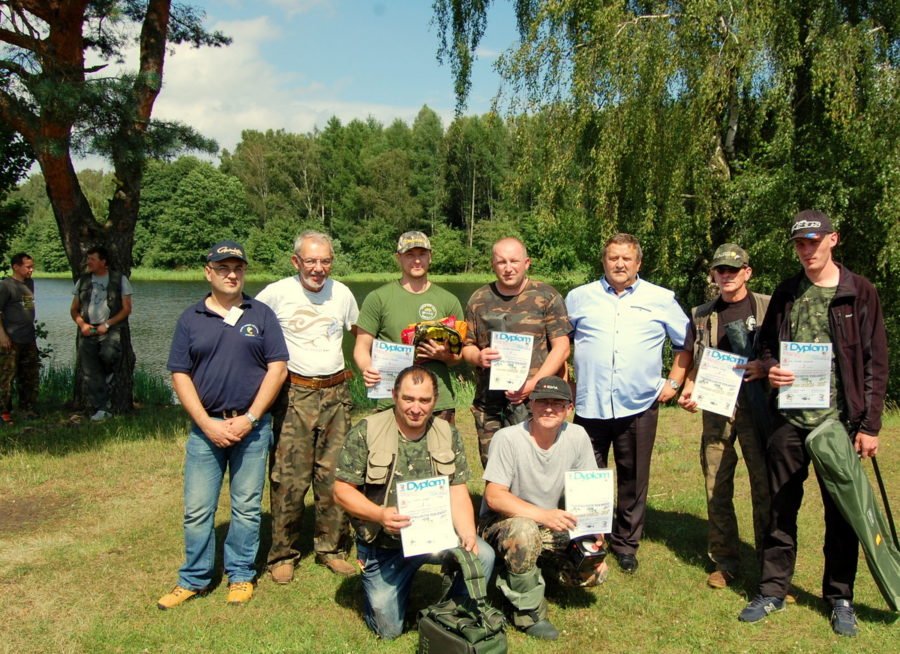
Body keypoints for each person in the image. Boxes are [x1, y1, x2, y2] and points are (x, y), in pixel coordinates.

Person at [738, 211, 888, 637]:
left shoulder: (859, 292)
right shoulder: (788, 292)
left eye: (813, 242)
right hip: (789, 420)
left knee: (843, 514)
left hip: (839, 423)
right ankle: (771, 590)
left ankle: (840, 597)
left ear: (833, 240)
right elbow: (766, 346)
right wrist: (771, 368)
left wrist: (869, 425)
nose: (806, 250)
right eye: (800, 244)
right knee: (781, 507)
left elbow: (876, 362)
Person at [157, 240, 288, 609]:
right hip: (206, 429)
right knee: (198, 509)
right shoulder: (190, 319)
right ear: (208, 272)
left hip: (252, 428)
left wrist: (250, 418)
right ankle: (194, 578)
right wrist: (205, 422)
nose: (232, 275)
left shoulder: (260, 314)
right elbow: (180, 374)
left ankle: (241, 575)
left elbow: (277, 369)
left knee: (246, 507)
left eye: (238, 268)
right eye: (223, 268)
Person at [333, 365, 494, 640]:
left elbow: (457, 489)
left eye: (424, 400)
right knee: (389, 631)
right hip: (384, 545)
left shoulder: (447, 432)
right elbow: (341, 491)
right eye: (408, 398)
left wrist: (467, 531)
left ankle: (452, 615)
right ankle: (379, 586)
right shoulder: (367, 430)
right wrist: (380, 515)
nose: (416, 408)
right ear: (395, 395)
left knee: (484, 556)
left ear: (435, 400)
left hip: (435, 535)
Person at [565, 233, 691, 573]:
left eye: (626, 259)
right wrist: (567, 383)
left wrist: (675, 382)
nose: (619, 264)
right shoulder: (578, 298)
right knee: (586, 476)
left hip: (638, 403)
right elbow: (560, 343)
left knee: (634, 477)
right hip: (589, 403)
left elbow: (686, 343)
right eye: (613, 258)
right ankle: (588, 538)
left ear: (638, 263)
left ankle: (625, 543)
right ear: (603, 261)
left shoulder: (661, 299)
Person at [256, 231, 359, 582]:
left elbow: (360, 333)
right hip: (294, 393)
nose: (318, 268)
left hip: (336, 392)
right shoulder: (275, 293)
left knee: (334, 475)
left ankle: (331, 547)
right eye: (311, 261)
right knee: (289, 477)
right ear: (296, 261)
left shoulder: (342, 293)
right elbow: (250, 333)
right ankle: (283, 553)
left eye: (325, 261)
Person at [480, 375, 607, 641]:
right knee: (525, 532)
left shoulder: (577, 435)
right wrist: (543, 515)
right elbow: (494, 497)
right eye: (542, 402)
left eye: (557, 403)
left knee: (592, 571)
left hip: (547, 521)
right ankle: (528, 613)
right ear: (531, 404)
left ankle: (524, 573)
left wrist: (594, 532)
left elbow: (588, 489)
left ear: (569, 408)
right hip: (503, 523)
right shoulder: (507, 438)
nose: (549, 409)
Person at [677, 244, 771, 589]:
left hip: (760, 409)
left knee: (766, 488)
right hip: (718, 409)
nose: (727, 276)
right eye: (721, 270)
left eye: (734, 270)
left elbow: (782, 353)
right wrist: (689, 388)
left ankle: (770, 567)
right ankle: (725, 561)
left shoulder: (769, 306)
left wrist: (765, 366)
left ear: (747, 271)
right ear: (714, 275)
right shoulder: (702, 313)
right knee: (717, 486)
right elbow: (693, 356)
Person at [462, 237, 572, 466]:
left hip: (535, 402)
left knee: (534, 466)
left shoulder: (547, 296)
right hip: (489, 405)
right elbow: (467, 348)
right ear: (493, 264)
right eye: (501, 262)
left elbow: (561, 348)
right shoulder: (478, 300)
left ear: (527, 263)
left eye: (514, 261)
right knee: (494, 467)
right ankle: (495, 503)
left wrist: (533, 386)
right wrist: (478, 357)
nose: (508, 268)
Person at [354, 231, 464, 422]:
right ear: (399, 258)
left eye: (421, 254)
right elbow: (361, 348)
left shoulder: (449, 300)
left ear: (430, 256)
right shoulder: (378, 298)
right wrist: (367, 369)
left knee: (441, 452)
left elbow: (459, 357)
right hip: (392, 400)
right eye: (410, 255)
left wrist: (443, 355)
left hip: (438, 402)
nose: (417, 261)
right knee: (390, 453)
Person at [69, 246, 133, 420]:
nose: (88, 262)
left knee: (109, 355)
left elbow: (127, 309)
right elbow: (74, 309)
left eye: (92, 259)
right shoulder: (82, 281)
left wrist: (107, 323)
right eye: (88, 259)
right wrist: (82, 324)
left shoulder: (119, 279)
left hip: (110, 330)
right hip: (87, 331)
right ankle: (102, 409)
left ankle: (109, 380)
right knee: (90, 371)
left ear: (103, 261)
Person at [0, 253, 39, 425]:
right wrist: (2, 335)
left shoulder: (29, 283)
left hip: (28, 337)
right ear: (16, 267)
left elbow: (28, 306)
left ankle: (27, 409)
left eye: (32, 266)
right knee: (6, 377)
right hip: (10, 338)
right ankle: (3, 413)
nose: (31, 269)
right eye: (28, 266)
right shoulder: (6, 286)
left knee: (29, 376)